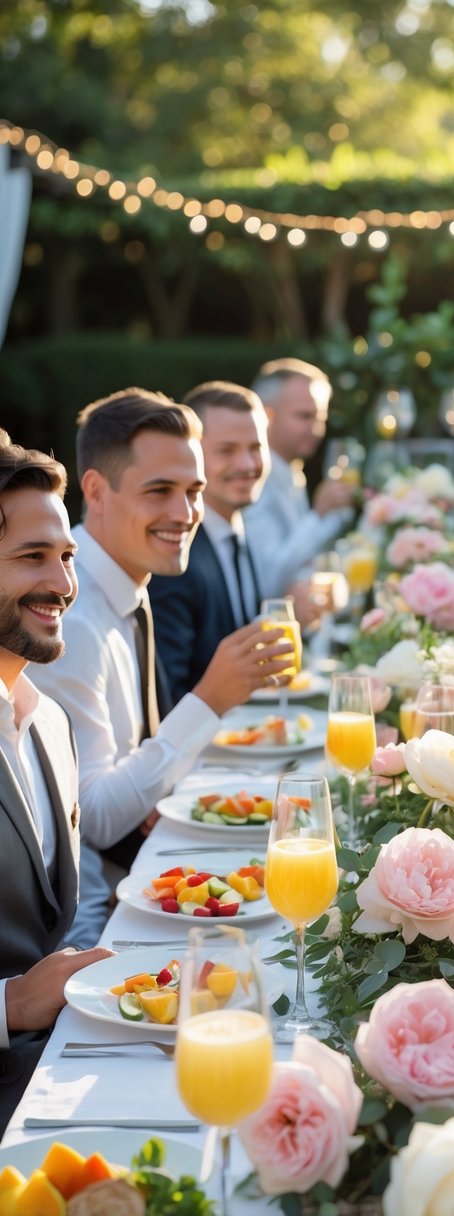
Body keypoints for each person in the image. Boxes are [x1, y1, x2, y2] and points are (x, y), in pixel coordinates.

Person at [32, 389, 292, 929]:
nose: (186, 513)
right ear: (96, 491)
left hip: (142, 873)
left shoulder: (128, 578)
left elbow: (119, 785)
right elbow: (100, 820)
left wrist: (153, 786)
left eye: (194, 491)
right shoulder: (72, 615)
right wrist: (210, 698)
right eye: (160, 491)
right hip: (97, 914)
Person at [0, 430, 110, 1131]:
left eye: (67, 556)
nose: (64, 585)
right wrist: (9, 1005)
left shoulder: (51, 723)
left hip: (65, 1076)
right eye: (32, 558)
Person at [149, 380, 272, 704]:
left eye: (256, 448)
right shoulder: (173, 555)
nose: (247, 465)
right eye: (227, 451)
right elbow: (168, 696)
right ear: (193, 455)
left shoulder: (239, 531)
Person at [243, 358, 356, 595]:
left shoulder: (291, 470)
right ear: (267, 416)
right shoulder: (251, 479)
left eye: (321, 418)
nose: (316, 430)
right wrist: (318, 514)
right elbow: (268, 579)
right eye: (305, 416)